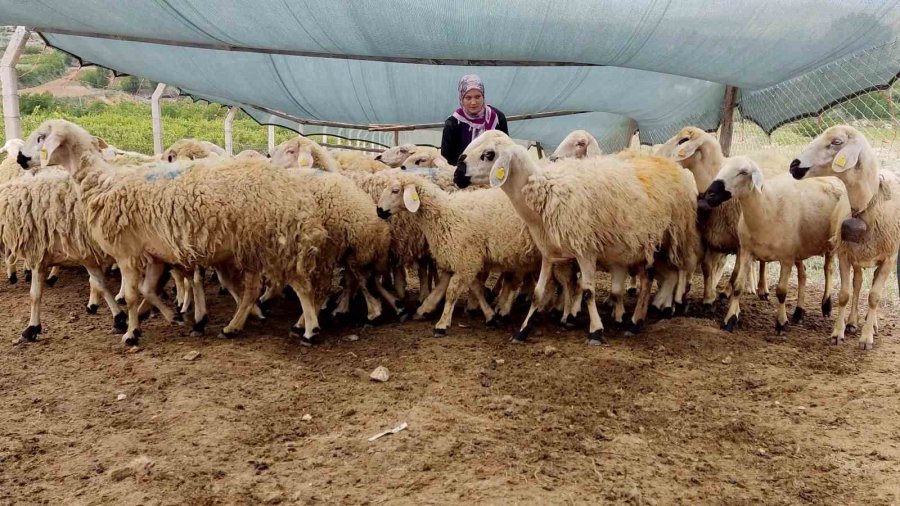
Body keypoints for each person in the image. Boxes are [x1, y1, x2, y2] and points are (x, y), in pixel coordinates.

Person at [440, 74, 508, 165]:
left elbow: (506, 150)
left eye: (477, 97)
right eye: (468, 98)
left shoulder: (497, 118)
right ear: (461, 99)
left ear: (483, 96)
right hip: (462, 175)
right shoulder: (453, 124)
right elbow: (447, 159)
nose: (473, 102)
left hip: (492, 173)